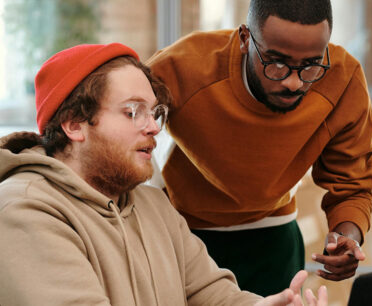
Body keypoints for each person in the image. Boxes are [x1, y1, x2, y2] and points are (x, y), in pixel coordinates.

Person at [0, 43, 326, 306]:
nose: (154, 127)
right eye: (132, 112)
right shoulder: (25, 213)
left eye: (154, 112)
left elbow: (211, 294)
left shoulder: (153, 204)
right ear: (74, 124)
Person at [147, 0, 372, 296]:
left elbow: (353, 183)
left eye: (310, 65)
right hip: (183, 234)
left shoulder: (343, 79)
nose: (294, 83)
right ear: (245, 39)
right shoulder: (183, 67)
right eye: (276, 62)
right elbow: (121, 127)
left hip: (274, 235)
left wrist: (349, 236)